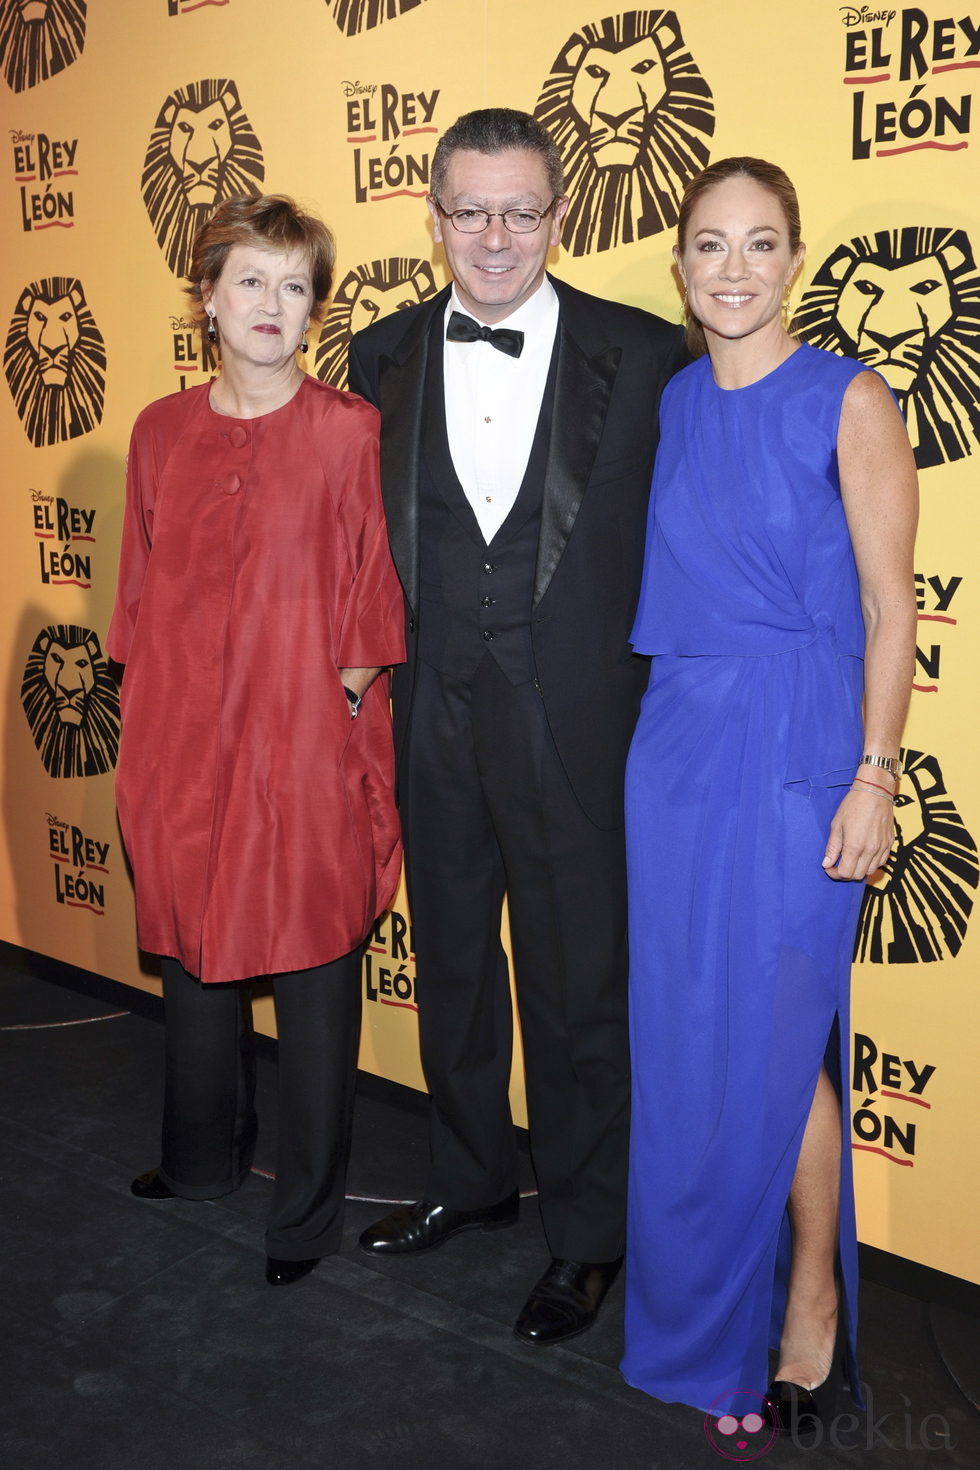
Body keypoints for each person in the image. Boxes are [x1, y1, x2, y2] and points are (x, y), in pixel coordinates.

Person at [348, 108, 686, 1345]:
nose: (494, 236)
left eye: (520, 210)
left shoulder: (645, 355)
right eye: (470, 210)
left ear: (560, 215)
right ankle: (469, 1174)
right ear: (432, 217)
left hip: (574, 720)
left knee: (576, 987)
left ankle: (588, 1235)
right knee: (449, 968)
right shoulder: (379, 356)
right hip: (428, 707)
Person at [621, 158, 918, 1427]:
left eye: (758, 244)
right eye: (707, 245)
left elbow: (889, 607)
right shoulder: (677, 401)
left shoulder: (849, 400)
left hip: (800, 750)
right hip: (676, 750)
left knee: (775, 1040)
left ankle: (807, 1297)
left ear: (792, 258)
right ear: (679, 265)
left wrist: (872, 775)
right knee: (689, 1048)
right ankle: (709, 1316)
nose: (731, 269)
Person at [108, 194, 405, 1286]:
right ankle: (197, 1165)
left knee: (317, 976)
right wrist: (155, 741)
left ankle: (305, 1219)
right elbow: (137, 600)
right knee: (192, 958)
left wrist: (327, 722)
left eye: (294, 286)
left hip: (303, 742)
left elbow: (372, 607)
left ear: (314, 310)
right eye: (250, 281)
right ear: (207, 299)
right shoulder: (156, 430)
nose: (271, 304)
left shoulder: (348, 433)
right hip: (181, 739)